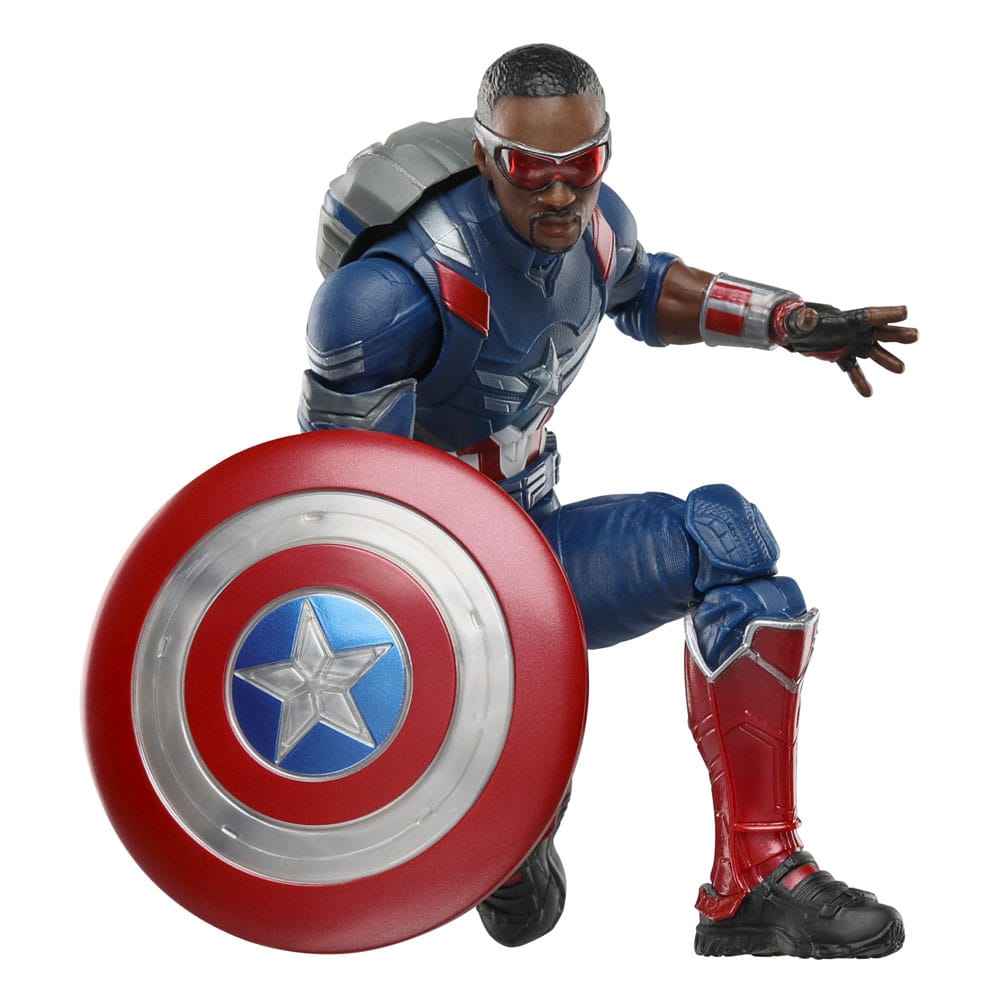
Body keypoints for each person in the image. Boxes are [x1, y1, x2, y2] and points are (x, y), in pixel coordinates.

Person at [299, 43, 915, 958]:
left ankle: (754, 880)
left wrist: (788, 321)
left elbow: (646, 288)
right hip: (425, 599)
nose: (560, 193)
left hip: (534, 546)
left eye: (580, 165)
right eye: (530, 170)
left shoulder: (596, 230)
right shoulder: (389, 297)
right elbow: (341, 519)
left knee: (729, 544)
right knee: (522, 892)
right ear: (486, 157)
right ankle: (495, 821)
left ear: (605, 153)